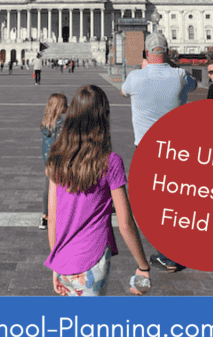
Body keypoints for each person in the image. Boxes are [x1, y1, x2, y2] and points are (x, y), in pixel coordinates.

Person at [45, 84, 151, 297]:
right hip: (93, 258)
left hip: (64, 258)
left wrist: (55, 262)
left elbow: (53, 216)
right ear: (104, 117)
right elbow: (125, 222)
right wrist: (143, 266)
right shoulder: (110, 162)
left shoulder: (57, 157)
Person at [121, 31, 197, 273]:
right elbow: (193, 84)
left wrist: (145, 69)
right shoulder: (180, 76)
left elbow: (124, 91)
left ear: (146, 53)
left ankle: (170, 253)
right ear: (167, 52)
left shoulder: (135, 78)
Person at [39, 93, 68, 231]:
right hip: (58, 160)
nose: (67, 107)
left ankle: (45, 215)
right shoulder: (61, 124)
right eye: (65, 105)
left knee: (48, 188)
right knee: (61, 187)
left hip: (48, 159)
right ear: (59, 107)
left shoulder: (45, 122)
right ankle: (58, 215)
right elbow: (59, 144)